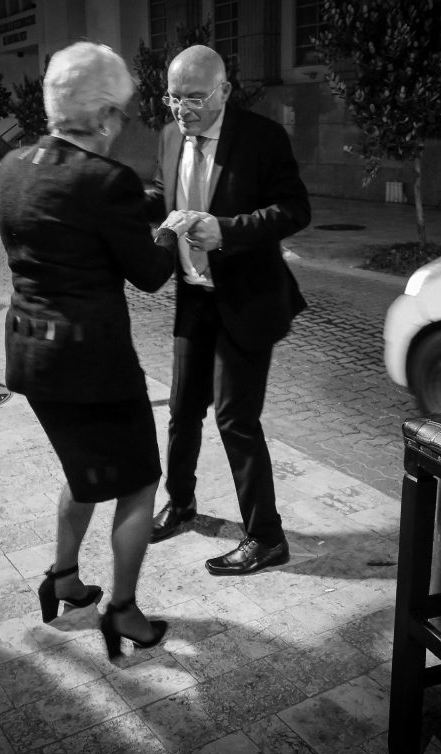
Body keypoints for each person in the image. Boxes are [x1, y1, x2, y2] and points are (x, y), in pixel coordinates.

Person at [0, 42, 197, 659]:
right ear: (104, 114)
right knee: (138, 484)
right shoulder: (106, 181)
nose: (123, 125)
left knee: (82, 473)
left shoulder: (13, 164)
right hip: (93, 367)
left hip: (30, 356)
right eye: (125, 113)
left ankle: (64, 580)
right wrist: (168, 230)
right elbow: (150, 273)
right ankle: (123, 612)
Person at [147, 45, 311, 575]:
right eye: (173, 98)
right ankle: (183, 502)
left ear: (224, 91)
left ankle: (266, 536)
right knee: (181, 411)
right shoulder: (171, 135)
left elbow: (295, 209)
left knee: (235, 418)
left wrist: (229, 230)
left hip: (247, 298)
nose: (181, 110)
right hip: (194, 294)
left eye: (193, 98)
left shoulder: (262, 138)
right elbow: (162, 189)